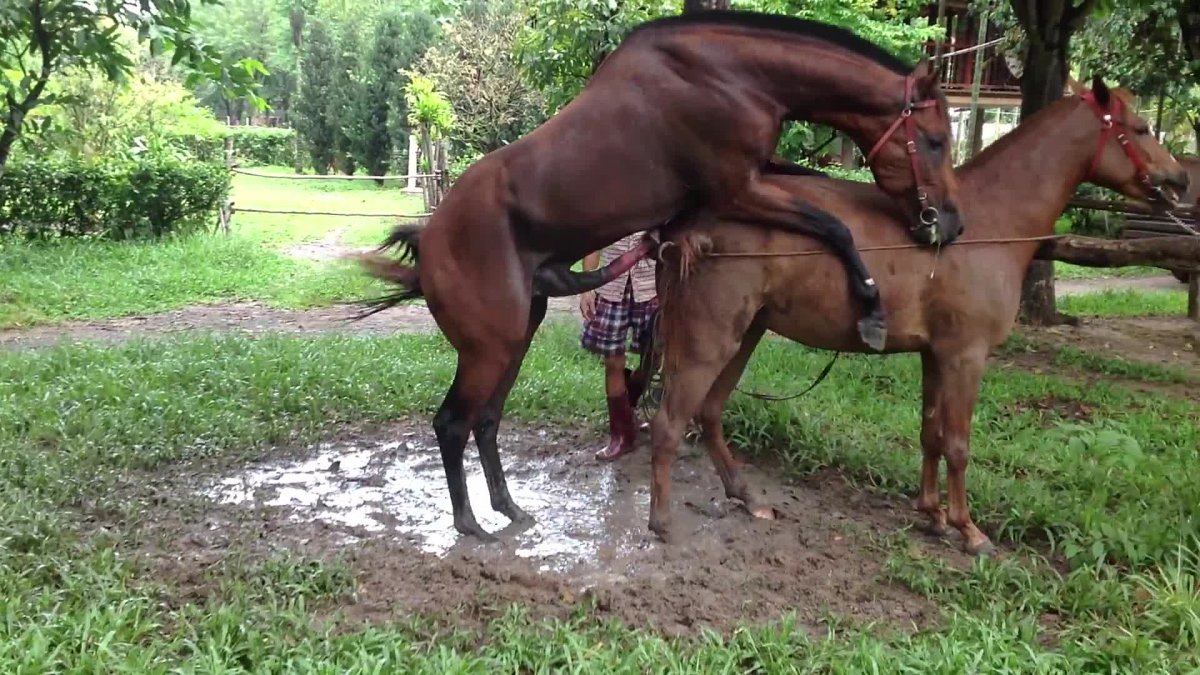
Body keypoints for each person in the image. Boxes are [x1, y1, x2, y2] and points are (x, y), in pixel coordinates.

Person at [579, 232, 659, 462]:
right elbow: (592, 243)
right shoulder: (609, 200)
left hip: (651, 288)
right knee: (613, 361)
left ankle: (628, 403)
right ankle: (622, 435)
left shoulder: (655, 198)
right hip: (611, 287)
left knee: (654, 356)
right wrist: (587, 288)